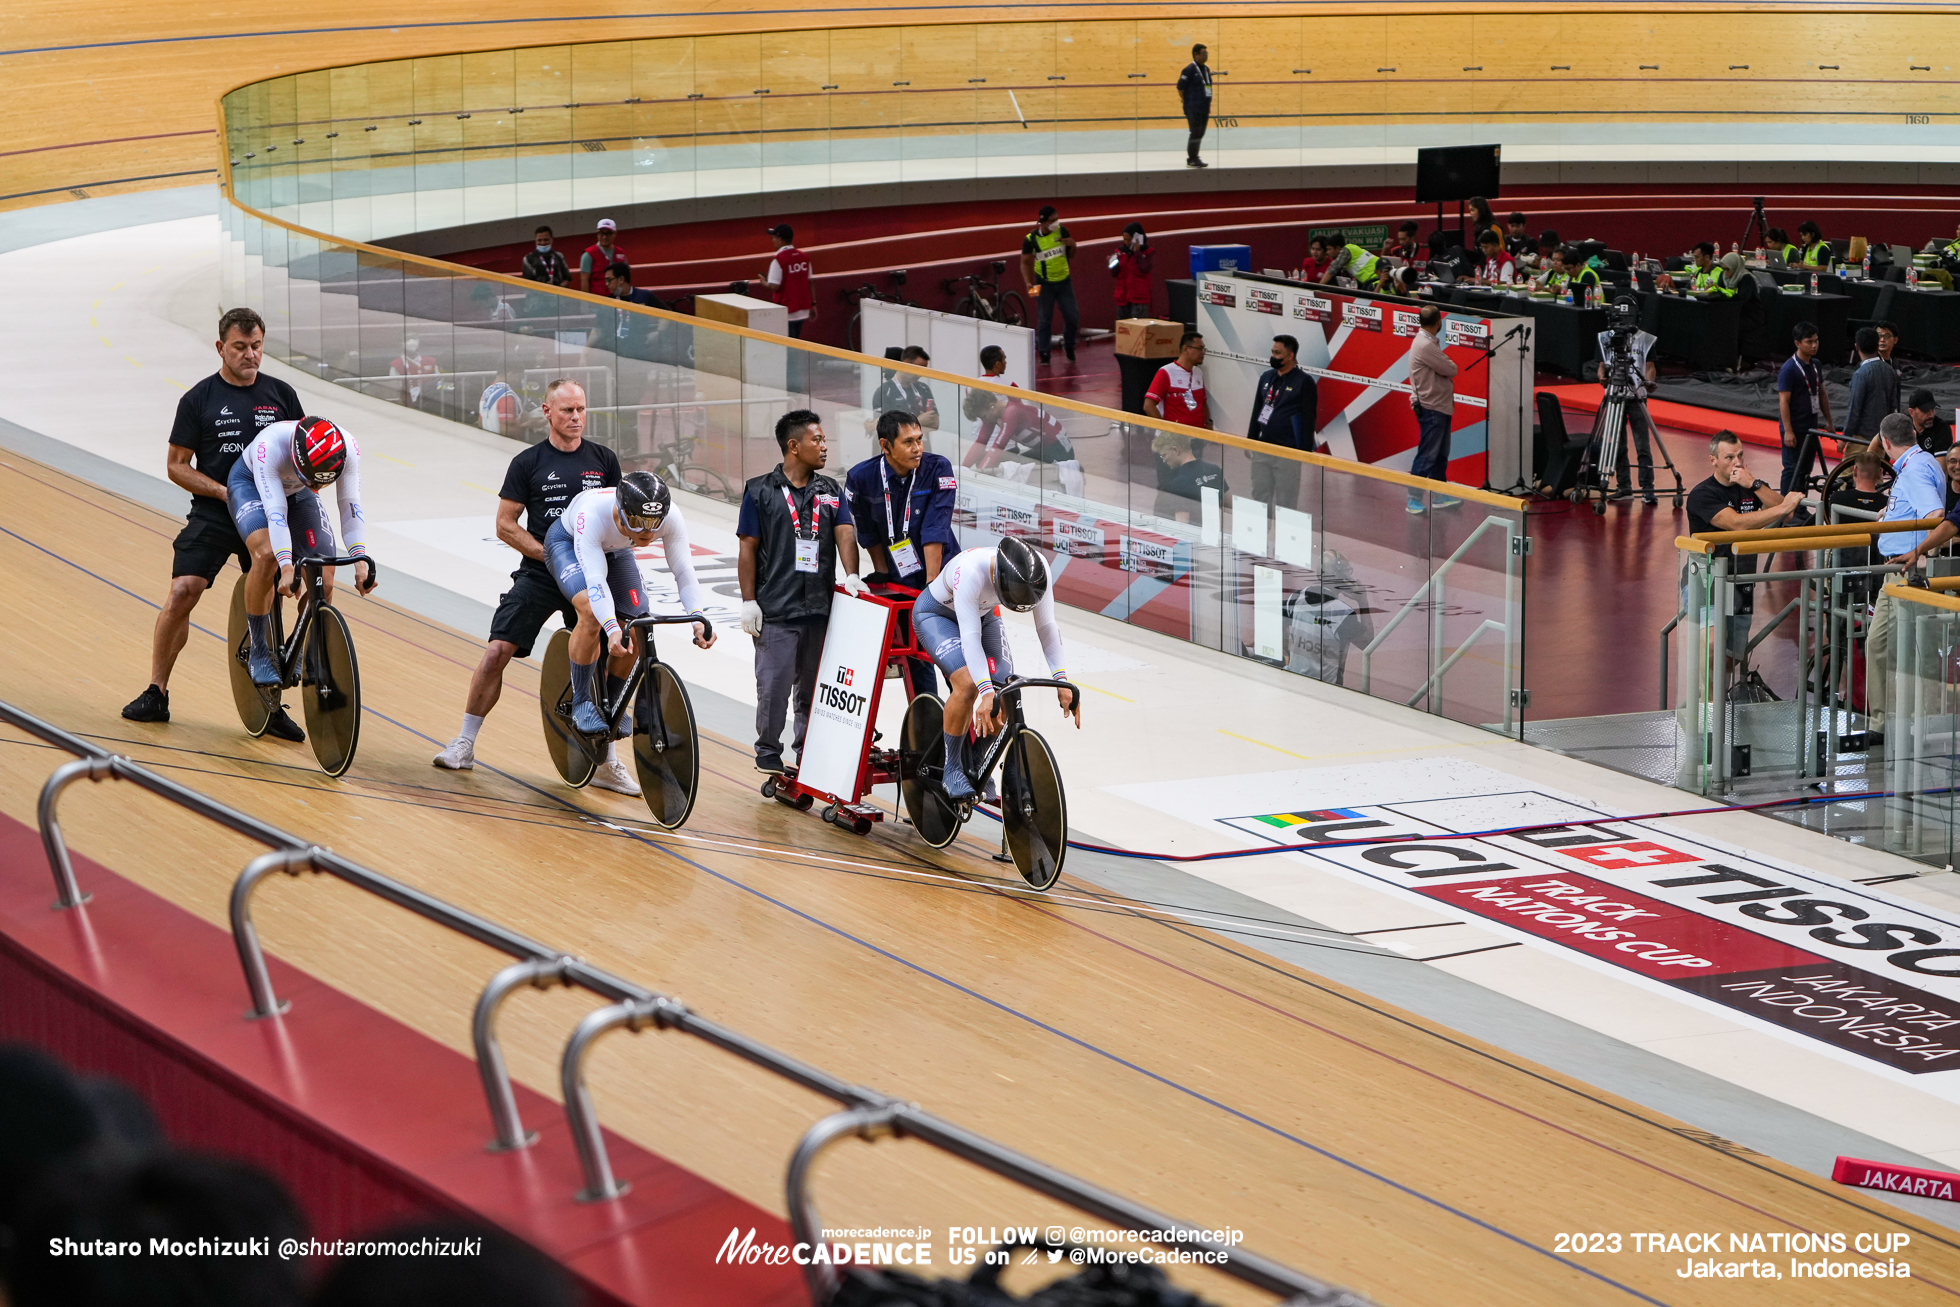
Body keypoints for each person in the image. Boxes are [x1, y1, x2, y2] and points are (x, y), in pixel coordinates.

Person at [123, 308, 305, 736]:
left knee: (273, 603)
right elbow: (176, 465)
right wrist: (223, 492)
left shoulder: (282, 395)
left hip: (266, 513)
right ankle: (156, 691)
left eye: (257, 346)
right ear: (221, 347)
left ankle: (271, 706)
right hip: (215, 511)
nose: (251, 355)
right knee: (183, 591)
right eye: (240, 347)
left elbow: (301, 455)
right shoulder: (199, 399)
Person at [433, 380, 623, 779]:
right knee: (496, 651)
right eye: (567, 410)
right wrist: (551, 555)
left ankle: (608, 763)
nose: (576, 417)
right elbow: (505, 525)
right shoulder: (528, 462)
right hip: (539, 573)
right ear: (547, 411)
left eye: (581, 409)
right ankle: (465, 743)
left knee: (611, 654)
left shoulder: (604, 459)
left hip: (591, 574)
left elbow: (617, 520)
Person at [544, 472, 715, 767]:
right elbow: (596, 579)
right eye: (637, 524)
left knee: (637, 621)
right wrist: (610, 627)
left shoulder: (669, 515)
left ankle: (612, 700)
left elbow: (684, 570)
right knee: (589, 610)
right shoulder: (593, 514)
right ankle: (583, 701)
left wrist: (697, 617)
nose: (647, 533)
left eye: (653, 525)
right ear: (620, 512)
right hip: (569, 544)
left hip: (617, 548)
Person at [737, 410, 862, 775]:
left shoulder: (830, 490)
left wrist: (852, 575)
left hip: (819, 608)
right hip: (776, 607)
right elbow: (747, 547)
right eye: (817, 440)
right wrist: (748, 601)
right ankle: (768, 750)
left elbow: (845, 533)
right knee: (774, 688)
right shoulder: (759, 490)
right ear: (794, 446)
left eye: (824, 440)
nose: (824, 446)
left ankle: (807, 750)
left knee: (812, 689)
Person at [911, 537, 1077, 801]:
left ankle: (977, 764)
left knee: (1005, 688)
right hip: (937, 616)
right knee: (967, 685)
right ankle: (952, 769)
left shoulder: (1038, 568)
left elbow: (1046, 626)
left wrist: (1062, 679)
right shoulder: (970, 572)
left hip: (983, 613)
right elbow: (970, 638)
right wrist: (984, 691)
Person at [228, 417, 377, 694]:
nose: (318, 488)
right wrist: (286, 566)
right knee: (267, 555)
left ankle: (299, 647)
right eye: (313, 480)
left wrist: (360, 562)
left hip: (298, 492)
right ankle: (259, 649)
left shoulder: (347, 449)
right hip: (252, 485)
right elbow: (276, 514)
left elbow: (350, 506)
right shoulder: (269, 447)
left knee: (325, 578)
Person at [846, 410, 958, 693]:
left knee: (953, 661)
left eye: (920, 439)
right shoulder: (860, 478)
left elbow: (936, 527)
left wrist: (932, 589)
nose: (918, 448)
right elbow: (866, 530)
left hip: (943, 577)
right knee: (916, 659)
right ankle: (929, 728)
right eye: (908, 442)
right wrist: (882, 572)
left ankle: (973, 727)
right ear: (885, 446)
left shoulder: (938, 468)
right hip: (902, 578)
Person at [1685, 432, 1799, 671]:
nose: (1737, 462)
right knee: (1713, 644)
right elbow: (1737, 524)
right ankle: (1707, 706)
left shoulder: (1751, 487)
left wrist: (1754, 484)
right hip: (1708, 578)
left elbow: (1786, 512)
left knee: (1733, 656)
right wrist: (1784, 506)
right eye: (1729, 457)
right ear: (1713, 460)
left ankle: (1717, 701)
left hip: (1740, 579)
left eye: (1740, 455)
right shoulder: (1702, 494)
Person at [1866, 412, 1949, 741]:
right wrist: (1893, 510)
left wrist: (1920, 552)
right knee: (1883, 644)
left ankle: (1910, 722)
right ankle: (1887, 720)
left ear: (1886, 443)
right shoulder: (1923, 462)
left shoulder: (1914, 470)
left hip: (1906, 571)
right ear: (1913, 433)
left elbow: (1935, 515)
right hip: (1897, 571)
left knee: (1908, 648)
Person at [1592, 313, 1661, 505]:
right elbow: (1601, 366)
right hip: (1615, 395)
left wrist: (1649, 382)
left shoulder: (1645, 339)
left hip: (1637, 396)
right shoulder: (1607, 338)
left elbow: (1650, 366)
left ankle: (1648, 489)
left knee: (1642, 445)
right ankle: (1624, 487)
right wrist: (1602, 377)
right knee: (1618, 445)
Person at [961, 389, 1085, 496]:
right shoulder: (993, 414)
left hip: (1059, 451)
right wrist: (961, 470)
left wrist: (979, 478)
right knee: (1006, 466)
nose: (983, 420)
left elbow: (998, 447)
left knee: (1014, 469)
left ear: (992, 406)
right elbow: (980, 443)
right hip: (1044, 449)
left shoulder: (1011, 412)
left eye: (983, 416)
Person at [1246, 334, 1314, 510]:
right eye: (1272, 352)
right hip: (1263, 449)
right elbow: (1257, 409)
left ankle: (1285, 536)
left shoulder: (1304, 382)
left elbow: (1309, 419)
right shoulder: (1266, 377)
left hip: (1287, 451)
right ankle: (1261, 536)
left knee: (1286, 500)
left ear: (1290, 356)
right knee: (1260, 495)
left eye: (1277, 353)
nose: (1273, 356)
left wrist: (1304, 452)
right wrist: (1250, 440)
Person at [1407, 305, 1462, 514]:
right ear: (1439, 322)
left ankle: (1439, 494)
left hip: (1440, 406)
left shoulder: (1426, 342)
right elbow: (1451, 369)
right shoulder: (1425, 345)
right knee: (1427, 455)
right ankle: (1413, 498)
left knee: (1440, 454)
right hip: (1432, 408)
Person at [1776, 321, 1831, 497]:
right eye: (1809, 341)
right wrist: (1788, 431)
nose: (1814, 345)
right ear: (1798, 343)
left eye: (1816, 340)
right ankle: (1785, 509)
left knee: (1806, 469)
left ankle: (1800, 506)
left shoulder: (1816, 364)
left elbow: (1821, 394)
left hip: (1811, 426)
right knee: (1792, 468)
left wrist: (1829, 421)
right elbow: (1784, 401)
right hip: (1795, 427)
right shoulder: (1789, 369)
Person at [1021, 206, 1079, 365]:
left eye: (1057, 219)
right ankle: (1044, 353)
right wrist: (1028, 282)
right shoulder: (1031, 239)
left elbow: (1071, 255)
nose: (1056, 223)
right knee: (1044, 319)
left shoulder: (1063, 231)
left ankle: (1069, 346)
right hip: (1044, 284)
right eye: (1052, 221)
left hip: (1064, 282)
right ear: (1043, 222)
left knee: (1072, 317)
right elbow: (1025, 262)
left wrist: (1073, 245)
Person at [1151, 431, 1225, 523]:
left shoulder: (1180, 482)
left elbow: (1182, 526)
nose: (1164, 460)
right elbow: (1230, 505)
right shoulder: (1214, 470)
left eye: (1164, 455)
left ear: (1175, 451)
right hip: (1213, 531)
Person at [1143, 332, 1209, 429]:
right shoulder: (1166, 372)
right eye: (1199, 348)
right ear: (1186, 349)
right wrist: (1165, 431)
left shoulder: (1198, 373)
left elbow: (1203, 403)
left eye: (1203, 349)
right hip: (1175, 439)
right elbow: (1149, 406)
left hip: (1197, 437)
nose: (1203, 352)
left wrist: (1208, 423)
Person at [1844, 326, 1898, 442]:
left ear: (1856, 347)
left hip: (1862, 438)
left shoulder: (1861, 374)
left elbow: (1854, 408)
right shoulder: (1890, 370)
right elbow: (1894, 405)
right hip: (1882, 437)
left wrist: (1845, 437)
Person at [760, 223, 814, 339]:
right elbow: (810, 282)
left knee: (787, 344)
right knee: (796, 340)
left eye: (773, 238)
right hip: (803, 309)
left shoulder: (779, 258)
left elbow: (775, 286)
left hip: (787, 310)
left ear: (780, 239)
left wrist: (764, 283)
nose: (772, 240)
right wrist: (813, 304)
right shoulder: (804, 257)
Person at [870, 346, 941, 429]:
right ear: (905, 363)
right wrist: (917, 421)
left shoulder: (923, 388)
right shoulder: (884, 391)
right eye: (918, 369)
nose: (920, 374)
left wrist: (906, 424)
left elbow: (935, 424)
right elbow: (883, 427)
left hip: (923, 441)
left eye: (923, 371)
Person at [1176, 44, 1213, 167]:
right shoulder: (1189, 69)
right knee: (1195, 132)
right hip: (1193, 108)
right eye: (1203, 53)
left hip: (1204, 107)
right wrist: (1189, 102)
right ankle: (1192, 158)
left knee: (1200, 132)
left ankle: (1194, 157)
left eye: (1206, 53)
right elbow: (1181, 88)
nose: (1206, 55)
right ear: (1196, 54)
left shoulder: (1206, 69)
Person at [1111, 222, 1155, 318]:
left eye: (1129, 239)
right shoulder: (1120, 252)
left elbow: (1145, 269)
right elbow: (1114, 273)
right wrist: (1112, 263)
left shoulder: (1148, 252)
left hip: (1139, 297)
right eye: (1125, 239)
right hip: (1122, 296)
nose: (1127, 242)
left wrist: (1137, 253)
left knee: (1138, 328)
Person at [577, 219, 627, 295]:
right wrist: (586, 304)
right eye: (601, 233)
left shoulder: (621, 253)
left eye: (608, 234)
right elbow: (584, 280)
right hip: (598, 300)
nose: (604, 237)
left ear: (615, 234)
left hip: (618, 299)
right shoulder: (588, 255)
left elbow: (626, 278)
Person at [388, 337, 440, 410]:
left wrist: (436, 391)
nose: (412, 341)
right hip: (407, 405)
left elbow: (439, 381)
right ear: (400, 345)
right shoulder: (396, 365)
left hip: (431, 403)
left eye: (414, 338)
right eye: (407, 339)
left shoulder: (430, 361)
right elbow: (395, 388)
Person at [1908, 388, 1954, 453]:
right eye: (1925, 411)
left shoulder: (1941, 428)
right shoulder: (1904, 427)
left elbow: (1940, 462)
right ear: (1912, 412)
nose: (1931, 414)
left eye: (1932, 409)